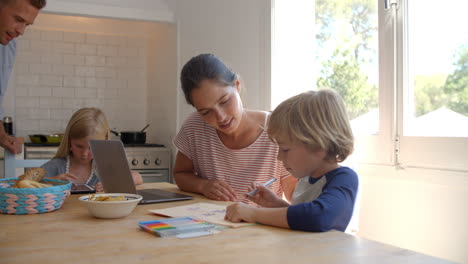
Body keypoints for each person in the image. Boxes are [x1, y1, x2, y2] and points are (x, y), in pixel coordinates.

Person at [225, 90, 359, 232]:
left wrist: (253, 214)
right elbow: (302, 219)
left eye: (285, 149)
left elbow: (318, 217)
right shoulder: (307, 177)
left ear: (320, 146)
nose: (279, 157)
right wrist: (275, 204)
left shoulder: (344, 179)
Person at [173, 53, 296, 203]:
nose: (220, 117)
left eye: (224, 101)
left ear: (237, 86)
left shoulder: (277, 129)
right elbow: (180, 174)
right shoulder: (195, 127)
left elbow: (297, 197)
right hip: (210, 222)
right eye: (206, 112)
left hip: (259, 224)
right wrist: (203, 186)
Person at [41, 107, 143, 191]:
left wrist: (115, 182)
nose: (84, 153)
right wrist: (52, 181)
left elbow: (138, 177)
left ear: (105, 141)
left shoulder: (106, 166)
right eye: (79, 146)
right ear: (69, 140)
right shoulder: (57, 166)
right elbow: (26, 184)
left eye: (91, 147)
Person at [0, 0, 46, 154]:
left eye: (27, 25)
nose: (21, 31)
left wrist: (2, 136)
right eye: (18, 19)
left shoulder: (8, 46)